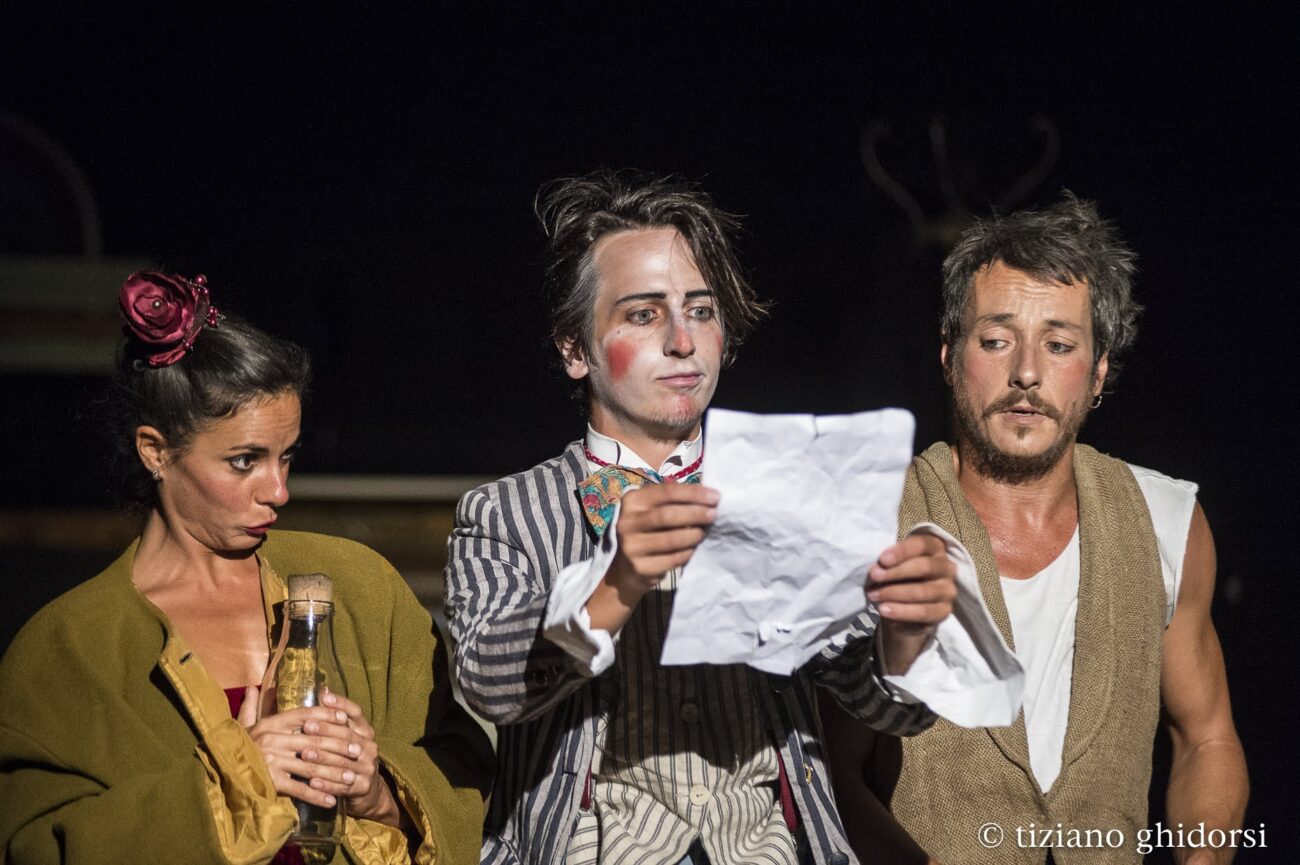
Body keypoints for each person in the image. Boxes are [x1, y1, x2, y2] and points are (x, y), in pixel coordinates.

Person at [444, 170, 1018, 865]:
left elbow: (889, 709)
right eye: (644, 314)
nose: (683, 340)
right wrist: (615, 581)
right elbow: (489, 681)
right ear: (574, 348)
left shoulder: (784, 491)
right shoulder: (506, 511)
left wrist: (905, 629)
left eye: (701, 310)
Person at [0, 271, 493, 864]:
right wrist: (238, 780)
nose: (279, 491)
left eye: (287, 457)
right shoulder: (71, 647)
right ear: (155, 451)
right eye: (244, 461)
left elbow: (464, 768)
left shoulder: (362, 587)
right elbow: (36, 845)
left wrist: (381, 793)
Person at [823, 195, 1249, 865]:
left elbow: (1208, 738)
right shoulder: (874, 519)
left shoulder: (1165, 521)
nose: (1026, 372)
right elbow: (831, 773)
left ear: (1099, 370)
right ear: (949, 354)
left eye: (1058, 344)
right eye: (996, 340)